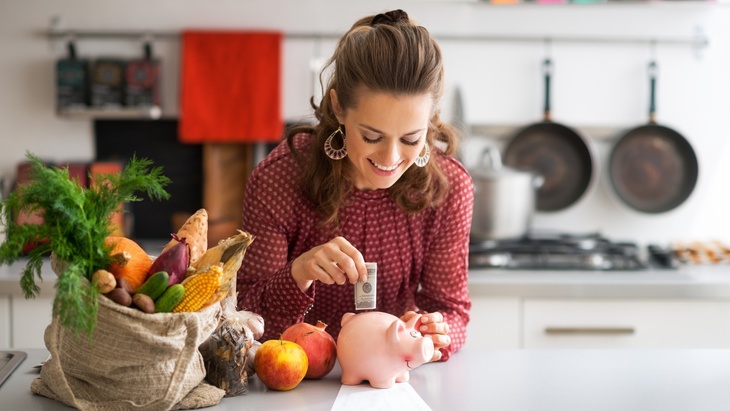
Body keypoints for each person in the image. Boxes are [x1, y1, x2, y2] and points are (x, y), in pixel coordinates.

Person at [236, 9, 473, 362]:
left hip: (392, 383)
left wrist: (433, 332)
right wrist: (298, 273)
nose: (391, 157)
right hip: (294, 383)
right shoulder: (280, 179)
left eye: (411, 138)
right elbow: (243, 319)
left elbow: (452, 312)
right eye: (372, 135)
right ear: (339, 108)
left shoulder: (449, 188)